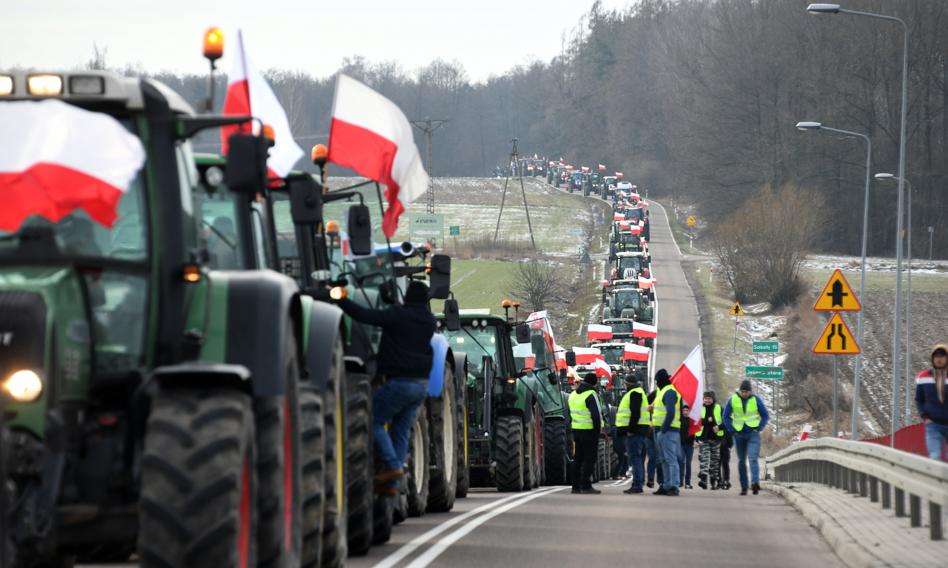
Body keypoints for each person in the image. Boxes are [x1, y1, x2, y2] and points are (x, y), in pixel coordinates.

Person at [336, 280, 436, 493]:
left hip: (400, 383)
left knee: (373, 420)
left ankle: (392, 466)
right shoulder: (429, 321)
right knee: (401, 431)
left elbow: (366, 316)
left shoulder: (398, 315)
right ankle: (392, 483)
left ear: (408, 297)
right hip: (420, 385)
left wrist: (341, 299)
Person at [723, 380, 770, 496]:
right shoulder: (733, 399)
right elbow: (725, 416)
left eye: (746, 391)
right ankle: (744, 487)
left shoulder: (756, 400)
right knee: (741, 461)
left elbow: (765, 415)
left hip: (752, 434)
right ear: (740, 391)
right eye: (742, 391)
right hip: (738, 434)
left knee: (753, 458)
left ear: (750, 391)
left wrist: (759, 427)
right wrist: (731, 429)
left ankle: (754, 483)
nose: (744, 393)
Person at [569, 373, 603, 494]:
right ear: (594, 383)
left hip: (576, 431)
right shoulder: (591, 394)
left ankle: (575, 486)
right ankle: (586, 485)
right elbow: (596, 415)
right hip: (589, 431)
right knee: (590, 459)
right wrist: (598, 431)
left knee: (578, 459)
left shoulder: (573, 394)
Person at [650, 369, 682, 496]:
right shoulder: (663, 391)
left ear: (661, 380)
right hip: (662, 430)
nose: (656, 383)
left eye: (657, 381)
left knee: (670, 459)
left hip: (668, 431)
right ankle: (666, 484)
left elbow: (671, 413)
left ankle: (674, 485)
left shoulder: (669, 392)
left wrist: (663, 428)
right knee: (663, 459)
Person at [618, 373, 650, 494]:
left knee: (635, 459)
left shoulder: (634, 393)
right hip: (639, 430)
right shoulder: (638, 392)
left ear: (627, 384)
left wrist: (630, 430)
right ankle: (638, 483)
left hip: (635, 432)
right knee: (637, 458)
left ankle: (637, 485)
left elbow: (635, 413)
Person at [915, 344, 948, 461]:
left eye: (942, 356)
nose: (939, 359)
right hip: (933, 425)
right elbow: (919, 399)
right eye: (936, 356)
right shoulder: (923, 377)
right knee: (935, 457)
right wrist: (925, 417)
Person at [697, 391, 724, 490]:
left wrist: (719, 427)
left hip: (716, 439)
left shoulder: (719, 408)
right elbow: (695, 421)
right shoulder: (699, 408)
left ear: (713, 399)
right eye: (705, 398)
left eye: (709, 398)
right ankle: (703, 480)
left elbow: (727, 421)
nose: (707, 400)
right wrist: (706, 421)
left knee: (714, 461)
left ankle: (713, 482)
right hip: (704, 438)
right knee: (704, 459)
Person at [644, 387, 663, 488]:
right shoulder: (648, 408)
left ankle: (661, 481)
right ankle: (650, 479)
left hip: (659, 433)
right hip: (649, 434)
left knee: (659, 459)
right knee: (652, 457)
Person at [678, 404, 695, 489]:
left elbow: (696, 431)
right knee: (681, 462)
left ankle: (687, 482)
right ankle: (680, 481)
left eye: (687, 410)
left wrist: (696, 441)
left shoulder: (692, 421)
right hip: (681, 444)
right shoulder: (679, 420)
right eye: (684, 410)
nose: (685, 412)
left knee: (688, 464)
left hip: (690, 445)